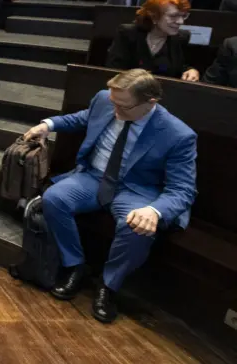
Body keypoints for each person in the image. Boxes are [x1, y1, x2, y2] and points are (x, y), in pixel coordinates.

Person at [24, 68, 196, 324]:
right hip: (95, 176)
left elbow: (183, 189)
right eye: (113, 102)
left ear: (151, 102)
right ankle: (75, 265)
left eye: (123, 107)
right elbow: (85, 117)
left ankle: (108, 285)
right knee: (55, 198)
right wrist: (48, 124)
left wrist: (155, 210)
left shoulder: (178, 135)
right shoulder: (108, 99)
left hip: (137, 189)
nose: (115, 110)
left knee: (136, 227)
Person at [107, 0, 199, 81]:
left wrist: (191, 70)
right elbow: (113, 70)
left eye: (183, 16)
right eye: (173, 16)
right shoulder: (128, 33)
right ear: (154, 17)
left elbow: (181, 67)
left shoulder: (181, 38)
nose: (180, 21)